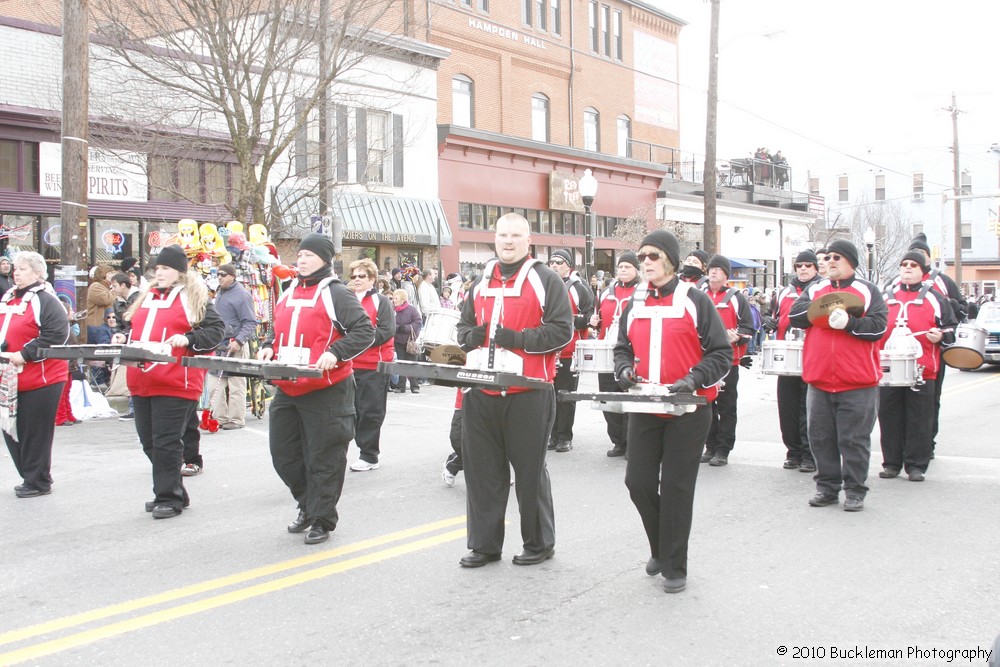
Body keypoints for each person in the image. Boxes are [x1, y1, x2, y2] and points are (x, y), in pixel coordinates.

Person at [613, 230, 731, 594]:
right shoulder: (634, 303)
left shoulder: (695, 300)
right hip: (647, 405)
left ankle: (674, 565)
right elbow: (621, 348)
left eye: (652, 255)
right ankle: (659, 548)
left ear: (671, 261)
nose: (644, 261)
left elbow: (721, 353)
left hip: (689, 409)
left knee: (678, 489)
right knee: (638, 482)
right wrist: (624, 370)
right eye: (641, 255)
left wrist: (694, 379)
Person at [455, 212, 572, 569]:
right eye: (503, 235)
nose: (508, 241)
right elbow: (462, 328)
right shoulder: (480, 280)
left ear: (528, 240)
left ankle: (539, 543)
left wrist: (517, 340)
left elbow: (562, 331)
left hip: (529, 393)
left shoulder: (545, 279)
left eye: (515, 236)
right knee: (483, 474)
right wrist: (470, 336)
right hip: (483, 391)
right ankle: (485, 545)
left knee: (529, 473)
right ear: (495, 238)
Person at [258, 233, 375, 545]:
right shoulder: (289, 288)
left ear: (325, 259)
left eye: (309, 255)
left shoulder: (336, 293)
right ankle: (308, 504)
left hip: (328, 388)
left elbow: (365, 331)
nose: (302, 259)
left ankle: (321, 518)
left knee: (324, 458)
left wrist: (335, 353)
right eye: (301, 254)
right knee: (284, 454)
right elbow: (276, 327)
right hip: (289, 386)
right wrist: (269, 345)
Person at [118, 244, 224, 519]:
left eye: (165, 268)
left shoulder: (191, 297)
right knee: (148, 441)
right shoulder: (147, 296)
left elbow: (215, 331)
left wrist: (189, 339)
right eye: (157, 268)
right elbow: (133, 326)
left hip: (176, 380)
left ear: (179, 271)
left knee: (166, 441)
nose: (160, 272)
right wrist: (122, 336)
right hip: (141, 379)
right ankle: (173, 489)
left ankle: (167, 497)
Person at [789, 239, 887, 512]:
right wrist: (821, 310)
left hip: (857, 382)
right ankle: (826, 487)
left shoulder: (868, 291)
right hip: (819, 379)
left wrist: (850, 323)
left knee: (854, 440)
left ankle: (855, 490)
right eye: (828, 257)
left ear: (851, 263)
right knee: (820, 438)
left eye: (837, 257)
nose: (830, 261)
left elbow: (878, 327)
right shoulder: (816, 287)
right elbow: (795, 315)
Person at [878, 251, 957, 482]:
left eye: (913, 265)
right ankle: (891, 463)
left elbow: (951, 330)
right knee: (889, 416)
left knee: (919, 418)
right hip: (889, 369)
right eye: (904, 264)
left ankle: (916, 465)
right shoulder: (885, 297)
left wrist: (940, 336)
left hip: (923, 370)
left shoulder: (936, 298)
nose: (908, 268)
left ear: (922, 271)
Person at [0, 252, 70, 497]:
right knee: (10, 428)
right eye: (16, 269)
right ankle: (30, 475)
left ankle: (38, 480)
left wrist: (26, 353)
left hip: (42, 378)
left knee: (34, 430)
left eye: (23, 269)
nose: (16, 273)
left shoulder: (45, 299)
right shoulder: (8, 299)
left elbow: (57, 334)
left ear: (38, 273)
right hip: (9, 378)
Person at [899, 233, 968, 458]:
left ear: (928, 258)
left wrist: (948, 309)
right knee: (897, 405)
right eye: (909, 259)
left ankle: (926, 443)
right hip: (900, 356)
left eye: (920, 255)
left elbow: (962, 310)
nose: (913, 262)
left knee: (928, 402)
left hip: (931, 354)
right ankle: (900, 447)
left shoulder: (943, 281)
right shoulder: (896, 284)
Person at [762, 250, 821, 472]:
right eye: (799, 265)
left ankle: (810, 455)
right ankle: (793, 452)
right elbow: (774, 317)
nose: (803, 269)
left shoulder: (821, 290)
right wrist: (769, 321)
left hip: (812, 357)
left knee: (809, 409)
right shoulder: (784, 292)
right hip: (787, 357)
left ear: (815, 267)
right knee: (787, 409)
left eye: (808, 265)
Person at [700, 255, 754, 467]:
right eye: (711, 269)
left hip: (728, 361)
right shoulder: (698, 294)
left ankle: (723, 449)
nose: (713, 272)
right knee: (706, 405)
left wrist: (738, 336)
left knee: (726, 406)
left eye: (718, 269)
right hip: (703, 361)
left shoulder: (736, 297)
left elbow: (748, 328)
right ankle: (710, 445)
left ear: (726, 275)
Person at [588, 251, 641, 457]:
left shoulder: (642, 292)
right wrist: (594, 322)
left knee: (630, 397)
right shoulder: (606, 292)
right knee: (609, 398)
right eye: (620, 267)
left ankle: (631, 442)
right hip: (606, 350)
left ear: (636, 269)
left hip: (631, 352)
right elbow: (598, 318)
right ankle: (618, 441)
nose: (623, 270)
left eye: (628, 267)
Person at [347, 258, 395, 472]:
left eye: (361, 276)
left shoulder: (381, 301)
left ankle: (369, 455)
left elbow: (386, 331)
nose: (356, 279)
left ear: (372, 279)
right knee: (351, 410)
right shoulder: (346, 300)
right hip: (348, 365)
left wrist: (358, 340)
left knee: (370, 411)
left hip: (374, 365)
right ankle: (365, 449)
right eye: (353, 276)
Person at [546, 248, 594, 453]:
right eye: (551, 262)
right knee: (549, 396)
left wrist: (569, 323)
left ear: (568, 265)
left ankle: (565, 436)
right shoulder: (545, 285)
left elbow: (589, 316)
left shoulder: (579, 287)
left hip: (569, 351)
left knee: (565, 396)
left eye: (559, 262)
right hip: (547, 351)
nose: (554, 265)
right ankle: (552, 434)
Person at [208, 263, 259, 431]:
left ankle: (236, 419)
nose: (220, 277)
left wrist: (239, 340)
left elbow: (251, 322)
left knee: (236, 383)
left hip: (234, 343)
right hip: (219, 344)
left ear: (232, 276)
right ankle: (219, 418)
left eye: (223, 274)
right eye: (218, 275)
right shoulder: (219, 293)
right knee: (215, 383)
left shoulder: (242, 295)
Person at [389, 289, 422, 394]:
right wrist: (398, 328)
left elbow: (418, 323)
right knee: (400, 363)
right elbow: (389, 323)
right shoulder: (392, 310)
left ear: (403, 299)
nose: (394, 301)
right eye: (393, 298)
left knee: (411, 363)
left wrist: (406, 328)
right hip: (398, 340)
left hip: (409, 341)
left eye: (396, 298)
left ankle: (414, 385)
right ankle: (401, 386)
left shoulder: (412, 310)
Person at [84, 265, 115, 344]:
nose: (113, 275)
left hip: (106, 325)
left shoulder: (108, 287)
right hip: (97, 325)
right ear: (103, 274)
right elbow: (104, 300)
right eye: (110, 273)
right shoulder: (95, 286)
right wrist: (115, 292)